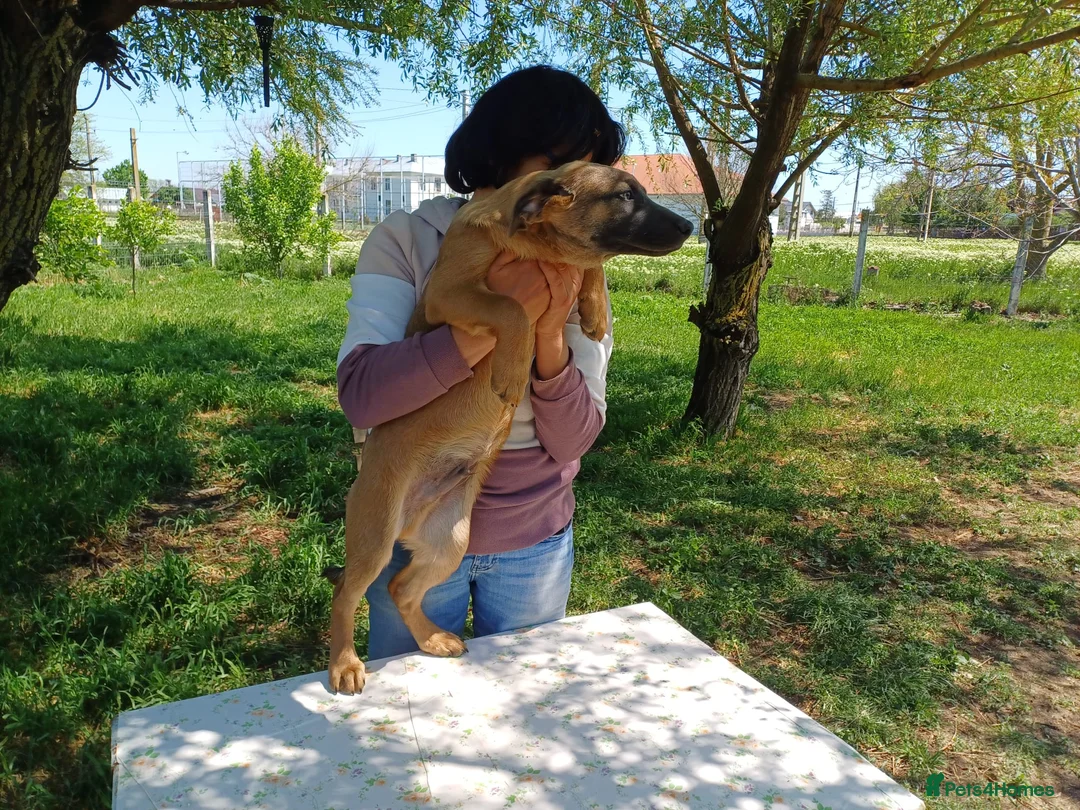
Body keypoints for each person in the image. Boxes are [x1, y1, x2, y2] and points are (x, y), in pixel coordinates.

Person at [336, 65, 626, 659]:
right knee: (408, 717)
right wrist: (496, 320)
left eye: (588, 171)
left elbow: (574, 439)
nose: (571, 193)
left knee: (525, 713)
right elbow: (362, 395)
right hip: (410, 515)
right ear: (502, 152)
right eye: (561, 168)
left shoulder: (580, 267)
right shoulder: (407, 240)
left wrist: (549, 334)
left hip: (536, 540)